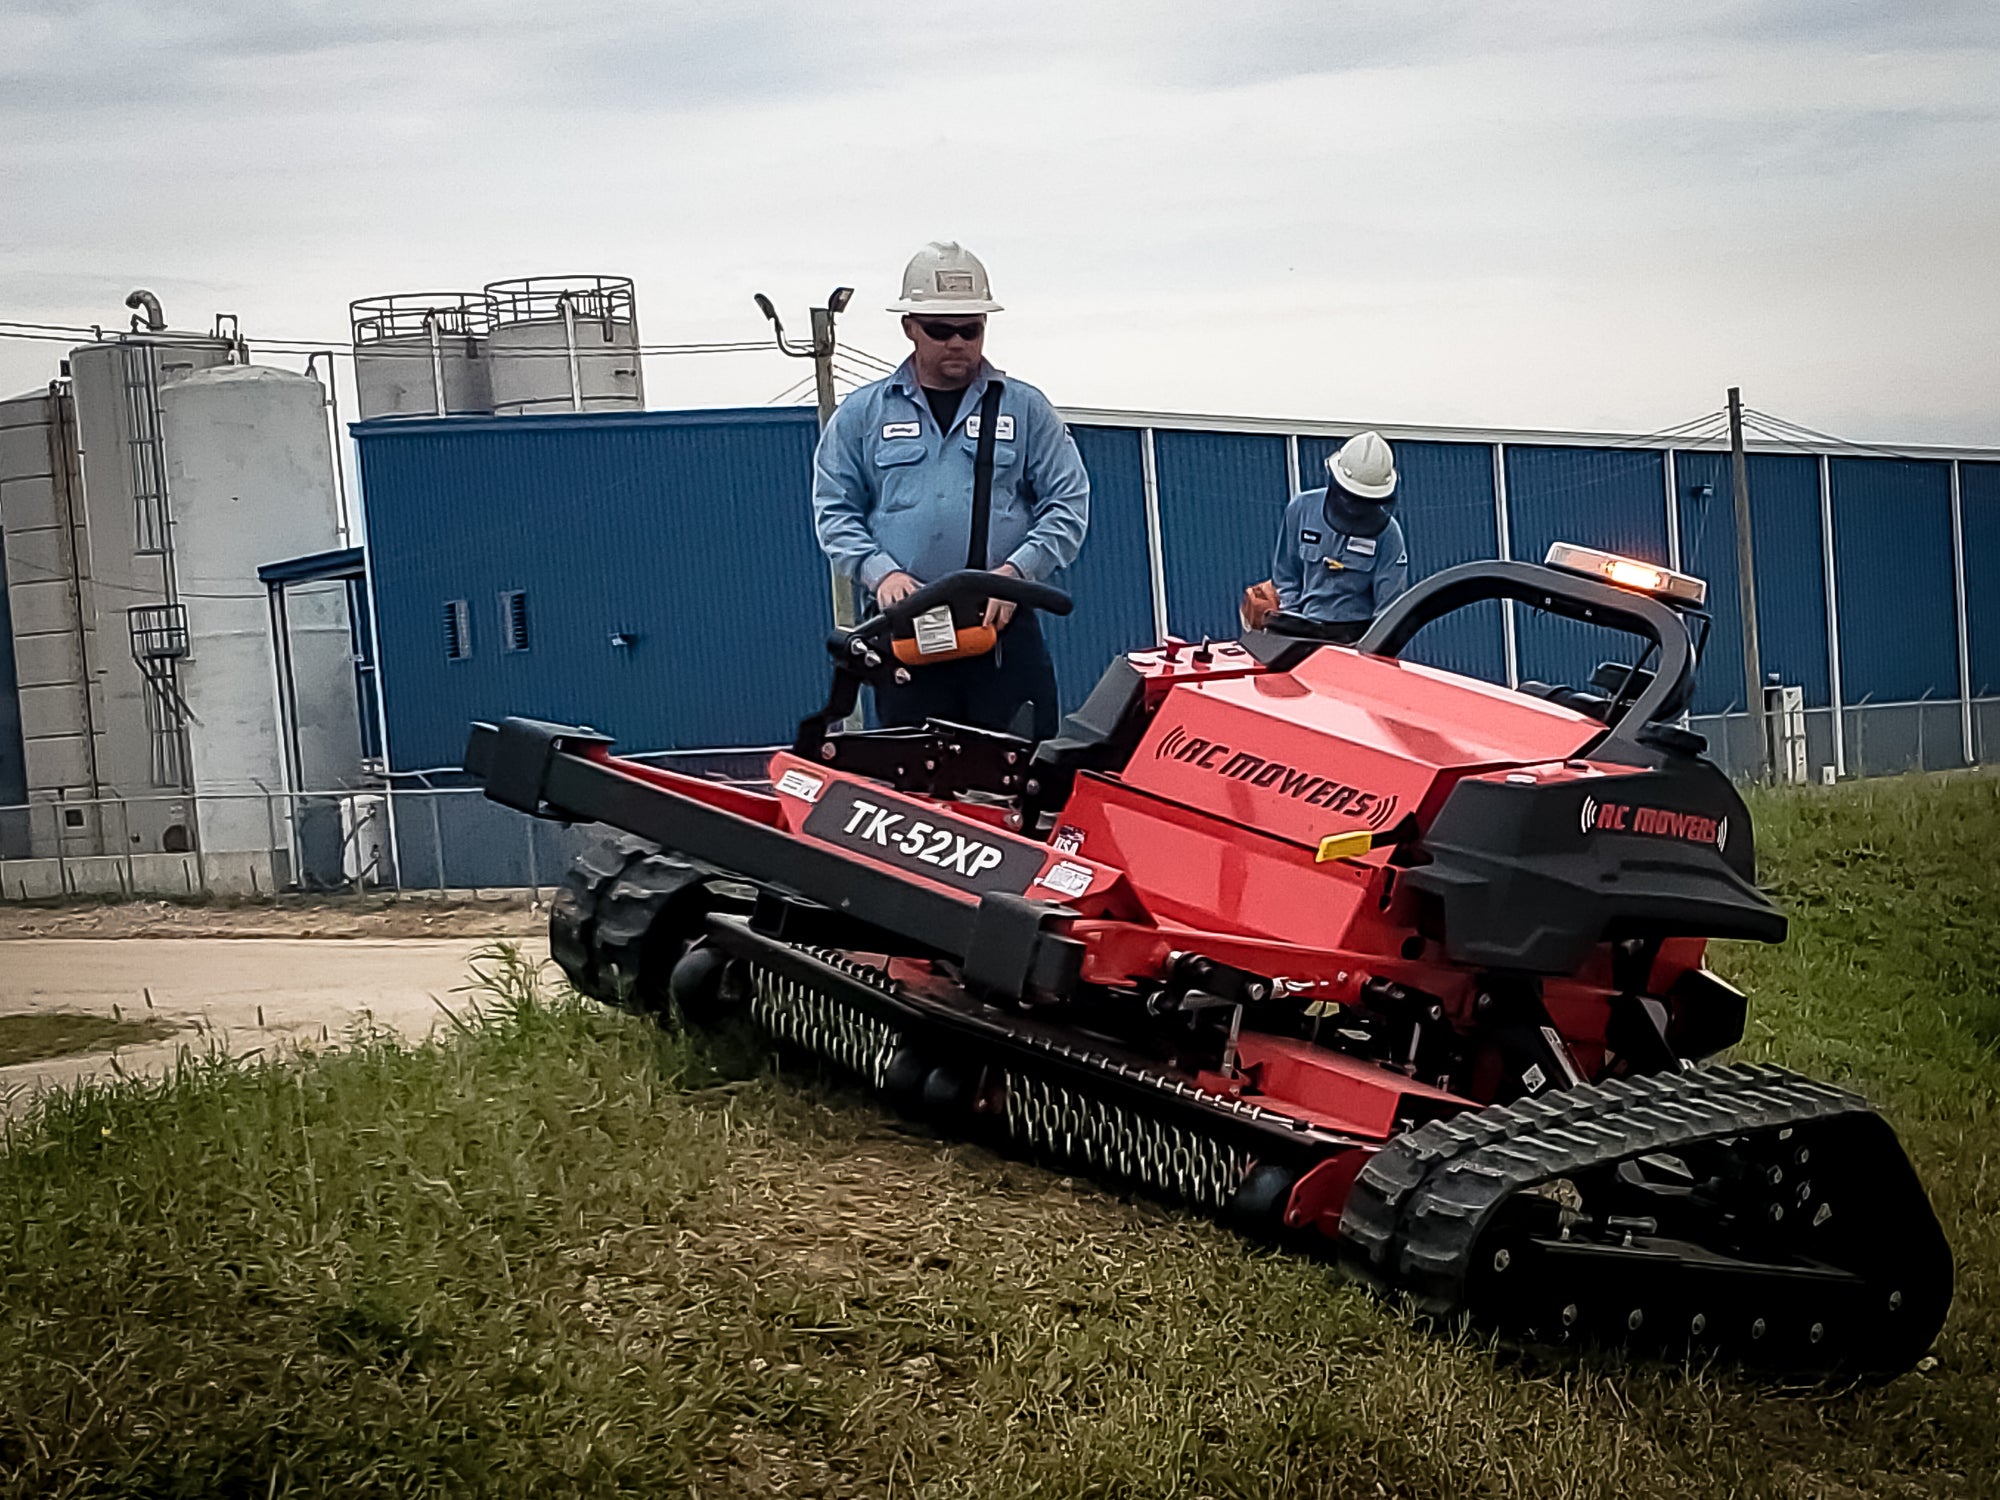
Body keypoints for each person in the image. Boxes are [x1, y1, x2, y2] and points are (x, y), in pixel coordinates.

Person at [812, 241, 1090, 741]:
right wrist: (881, 574)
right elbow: (834, 509)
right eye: (941, 330)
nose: (957, 341)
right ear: (910, 327)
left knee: (1022, 774)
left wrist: (1015, 574)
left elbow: (1067, 505)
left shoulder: (1024, 410)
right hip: (906, 632)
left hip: (1002, 631)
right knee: (916, 783)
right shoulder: (862, 415)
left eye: (971, 328)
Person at [1255, 430, 1409, 643]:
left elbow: (1389, 607)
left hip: (1355, 637)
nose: (1354, 510)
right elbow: (1286, 575)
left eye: (1363, 502)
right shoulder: (1301, 509)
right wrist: (1293, 621)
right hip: (1300, 629)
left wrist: (1371, 647)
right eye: (1350, 499)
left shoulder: (1389, 534)